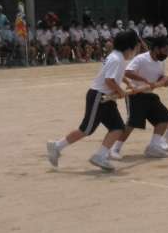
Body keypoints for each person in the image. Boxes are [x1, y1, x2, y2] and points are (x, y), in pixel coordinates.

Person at [46, 30, 139, 172]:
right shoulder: (117, 59)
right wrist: (120, 91)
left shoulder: (117, 57)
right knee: (86, 129)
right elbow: (109, 80)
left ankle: (100, 156)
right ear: (129, 47)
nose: (135, 50)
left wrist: (128, 83)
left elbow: (116, 75)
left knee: (117, 127)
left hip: (106, 98)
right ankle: (57, 146)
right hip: (98, 97)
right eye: (135, 47)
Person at [111, 37, 168, 160]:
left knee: (164, 118)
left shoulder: (161, 62)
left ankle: (153, 147)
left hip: (149, 94)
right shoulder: (141, 58)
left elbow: (159, 77)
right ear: (156, 49)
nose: (166, 53)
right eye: (165, 50)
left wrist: (164, 79)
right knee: (132, 122)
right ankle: (115, 148)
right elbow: (128, 72)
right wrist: (144, 80)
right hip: (136, 94)